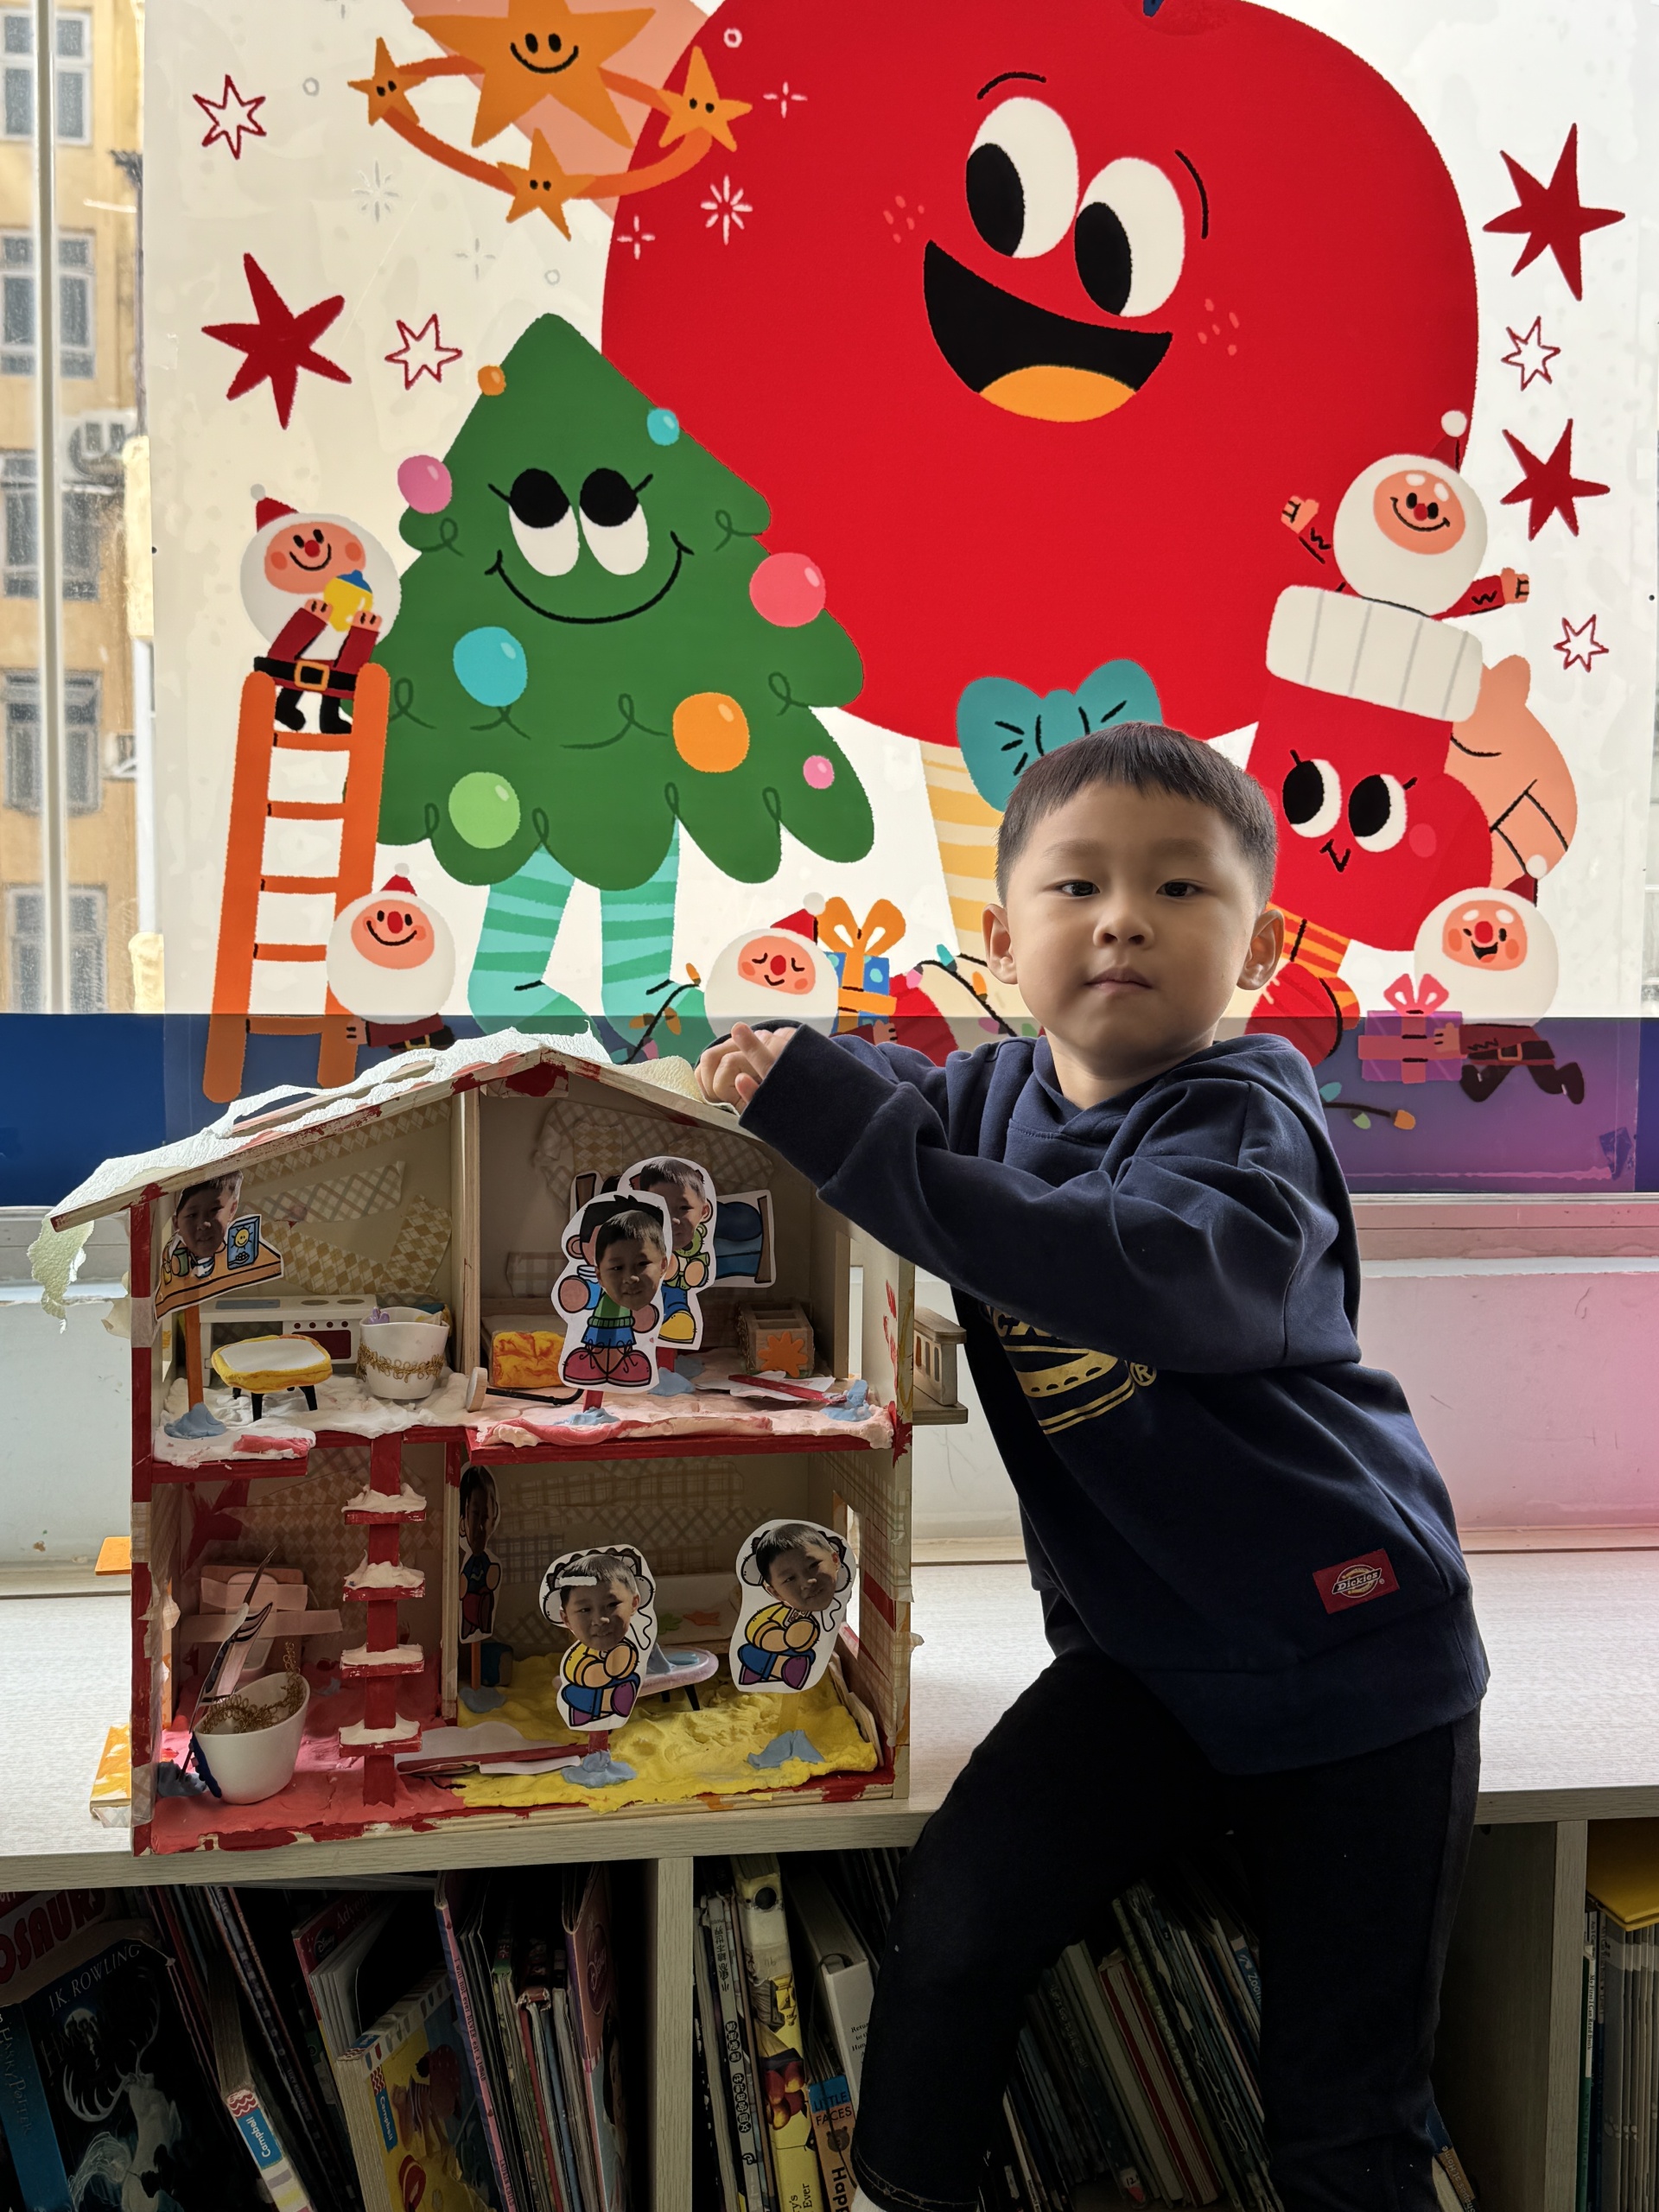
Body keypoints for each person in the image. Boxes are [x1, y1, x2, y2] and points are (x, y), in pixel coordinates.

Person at [697, 723, 1487, 2212]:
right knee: (956, 1929)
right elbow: (896, 1100)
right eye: (1078, 886)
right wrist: (779, 1063)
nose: (1124, 918)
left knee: (1345, 2116)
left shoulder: (1251, 1124)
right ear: (1004, 943)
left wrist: (850, 1128)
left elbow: (1133, 1265)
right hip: (1147, 1663)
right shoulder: (989, 1100)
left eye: (1181, 889)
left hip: (1358, 1659)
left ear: (1257, 954)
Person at [555, 1200, 669, 1387]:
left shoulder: (657, 1296)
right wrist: (577, 1295)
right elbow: (578, 1301)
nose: (630, 1278)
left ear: (663, 1265)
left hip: (626, 1335)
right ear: (599, 1275)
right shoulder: (596, 1285)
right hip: (596, 1332)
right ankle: (590, 1363)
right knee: (594, 1352)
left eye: (642, 1264)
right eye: (617, 1268)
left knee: (625, 1353)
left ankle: (627, 1365)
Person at [733, 1521, 849, 1689]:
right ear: (776, 1593)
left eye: (813, 1565)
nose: (807, 1582)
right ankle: (781, 1669)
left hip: (804, 1657)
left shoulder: (845, 1601)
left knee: (807, 1656)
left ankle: (787, 1669)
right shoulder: (773, 1611)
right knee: (748, 1652)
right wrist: (780, 1638)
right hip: (777, 1652)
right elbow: (756, 1631)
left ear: (835, 1560)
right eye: (789, 1579)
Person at [543, 1548, 652, 1726]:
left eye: (612, 1604)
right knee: (572, 1692)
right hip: (587, 1698)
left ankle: (615, 1702)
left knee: (628, 1681)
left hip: (619, 1691)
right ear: (566, 1619)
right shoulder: (576, 1655)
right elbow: (577, 1673)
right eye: (585, 1609)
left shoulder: (636, 1644)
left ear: (634, 1604)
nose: (600, 1620)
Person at [626, 1156, 715, 1344]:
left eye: (684, 1207)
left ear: (704, 1211)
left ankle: (677, 1317)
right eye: (658, 1208)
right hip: (641, 1305)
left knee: (677, 1306)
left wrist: (689, 1270)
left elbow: (699, 1276)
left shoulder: (698, 1242)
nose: (672, 1218)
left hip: (676, 1299)